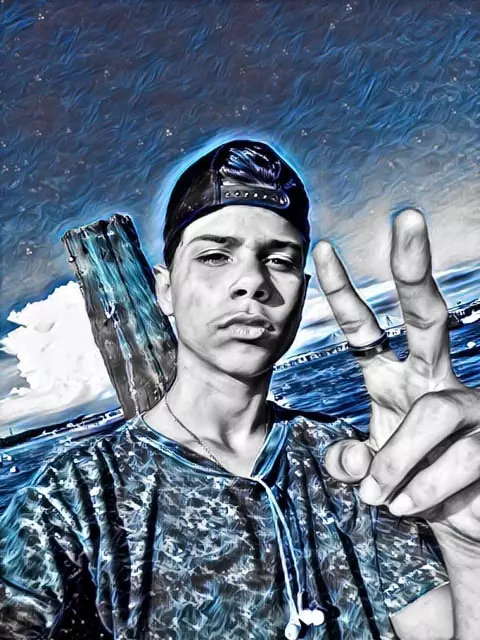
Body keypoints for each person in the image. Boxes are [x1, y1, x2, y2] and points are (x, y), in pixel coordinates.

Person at [0, 139, 479, 640]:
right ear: (165, 289)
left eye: (280, 261)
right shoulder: (77, 497)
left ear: (301, 294)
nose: (252, 281)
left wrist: (467, 548)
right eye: (214, 256)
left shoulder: (351, 464)